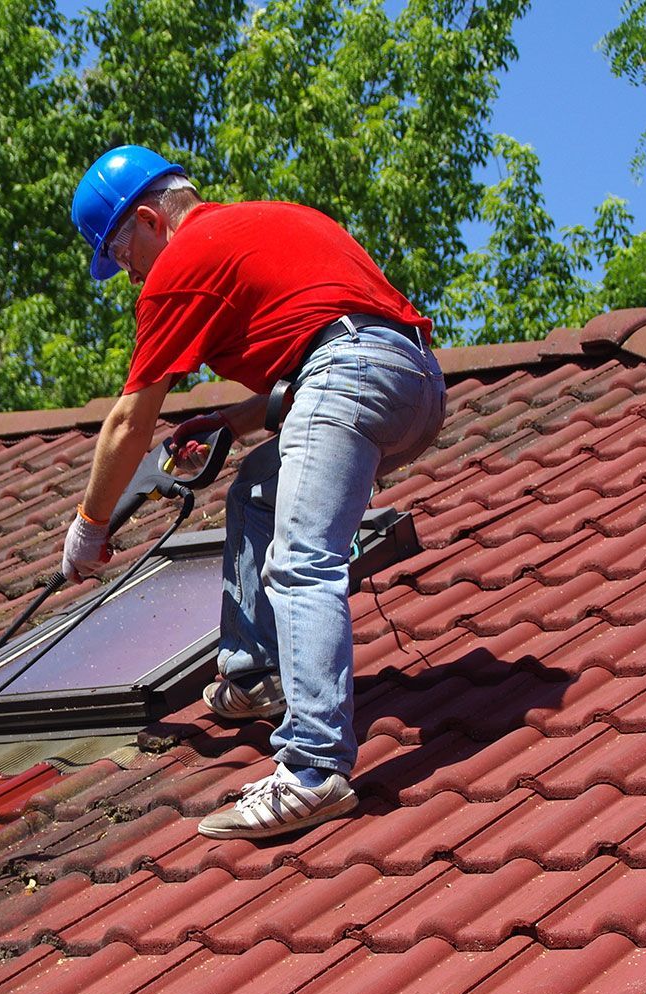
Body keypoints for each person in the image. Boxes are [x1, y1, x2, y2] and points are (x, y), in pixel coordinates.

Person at [63, 145, 446, 840]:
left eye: (123, 256)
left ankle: (312, 771)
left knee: (302, 560)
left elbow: (129, 419)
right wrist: (231, 421)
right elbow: (338, 352)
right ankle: (253, 674)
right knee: (259, 492)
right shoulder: (267, 220)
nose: (130, 277)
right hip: (416, 385)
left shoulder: (180, 264)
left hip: (349, 373)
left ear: (149, 220)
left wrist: (91, 524)